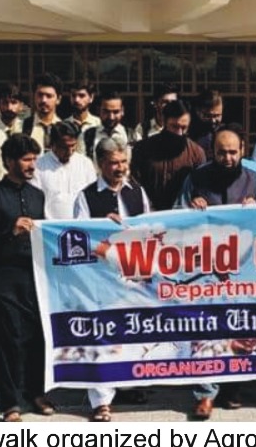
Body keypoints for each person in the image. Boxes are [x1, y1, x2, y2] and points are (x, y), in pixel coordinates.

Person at [177, 128, 256, 420]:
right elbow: (175, 218)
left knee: (240, 327)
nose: (227, 158)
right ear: (212, 151)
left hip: (242, 270)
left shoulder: (255, 180)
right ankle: (205, 393)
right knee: (207, 330)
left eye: (233, 152)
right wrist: (190, 208)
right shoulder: (196, 178)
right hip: (205, 271)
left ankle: (233, 388)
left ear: (243, 150)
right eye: (222, 152)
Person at [74, 137, 153, 422]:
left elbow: (150, 229)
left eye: (123, 162)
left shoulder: (138, 192)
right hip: (102, 281)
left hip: (134, 279)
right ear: (100, 164)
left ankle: (129, 386)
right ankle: (101, 401)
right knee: (103, 339)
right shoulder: (86, 197)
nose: (120, 168)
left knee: (132, 335)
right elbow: (80, 239)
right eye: (113, 163)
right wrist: (101, 228)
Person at [0, 134, 50, 422]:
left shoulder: (37, 195)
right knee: (8, 341)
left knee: (37, 338)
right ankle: (10, 403)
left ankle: (36, 393)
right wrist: (11, 231)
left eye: (34, 159)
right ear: (9, 161)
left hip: (34, 277)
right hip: (3, 280)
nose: (32, 165)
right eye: (26, 159)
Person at [131, 100, 206, 211]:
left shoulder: (196, 153)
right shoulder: (143, 149)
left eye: (184, 128)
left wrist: (197, 198)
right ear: (164, 122)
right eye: (174, 127)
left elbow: (201, 188)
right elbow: (134, 185)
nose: (179, 133)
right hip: (149, 214)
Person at [31, 120, 97, 219]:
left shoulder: (85, 164)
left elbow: (93, 197)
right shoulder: (39, 166)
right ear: (52, 144)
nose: (69, 151)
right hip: (50, 225)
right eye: (64, 147)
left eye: (73, 146)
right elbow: (35, 201)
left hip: (81, 224)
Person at [82, 90, 132, 161]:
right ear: (99, 110)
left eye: (115, 112)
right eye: (106, 112)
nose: (111, 117)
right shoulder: (86, 136)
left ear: (122, 111)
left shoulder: (133, 136)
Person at [189, 89, 226, 161]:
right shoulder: (188, 133)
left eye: (217, 116)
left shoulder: (227, 132)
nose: (213, 120)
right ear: (198, 112)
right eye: (208, 116)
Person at [68, 80, 102, 155]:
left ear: (91, 97)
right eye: (73, 95)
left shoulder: (99, 124)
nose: (76, 100)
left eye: (81, 96)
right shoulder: (64, 125)